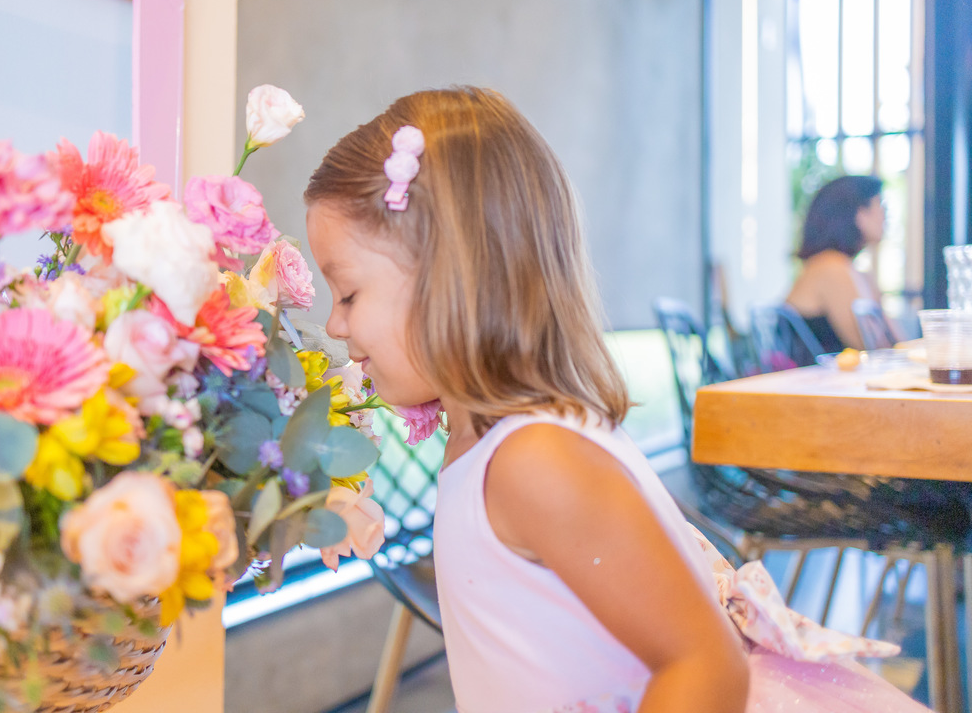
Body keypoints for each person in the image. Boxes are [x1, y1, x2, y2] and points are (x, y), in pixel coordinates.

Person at [304, 87, 929, 712]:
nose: (334, 325)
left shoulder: (535, 460)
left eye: (349, 295)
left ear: (450, 279)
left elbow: (703, 665)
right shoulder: (490, 440)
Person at [785, 175, 898, 351]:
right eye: (880, 204)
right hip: (817, 377)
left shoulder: (853, 271)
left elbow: (896, 344)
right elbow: (873, 348)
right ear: (859, 214)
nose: (886, 214)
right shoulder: (830, 266)